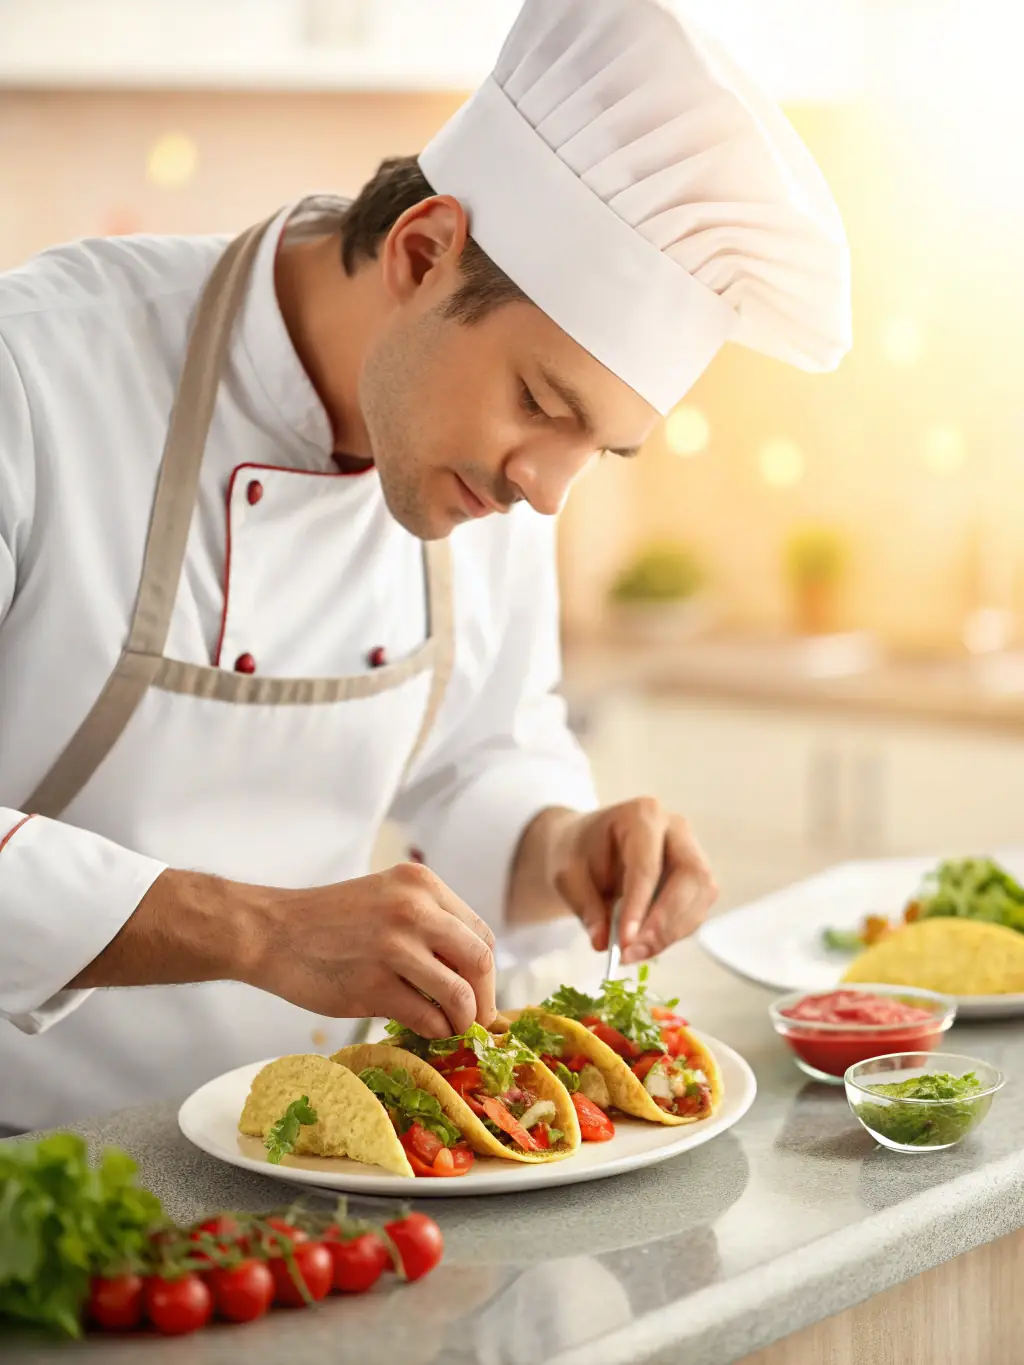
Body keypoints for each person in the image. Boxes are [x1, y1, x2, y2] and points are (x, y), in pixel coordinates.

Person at [0, 0, 851, 1131]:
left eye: (599, 445)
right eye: (543, 404)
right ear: (421, 251)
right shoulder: (38, 375)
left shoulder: (493, 466)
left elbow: (476, 761)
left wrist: (563, 848)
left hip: (318, 1159)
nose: (548, 488)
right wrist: (259, 928)